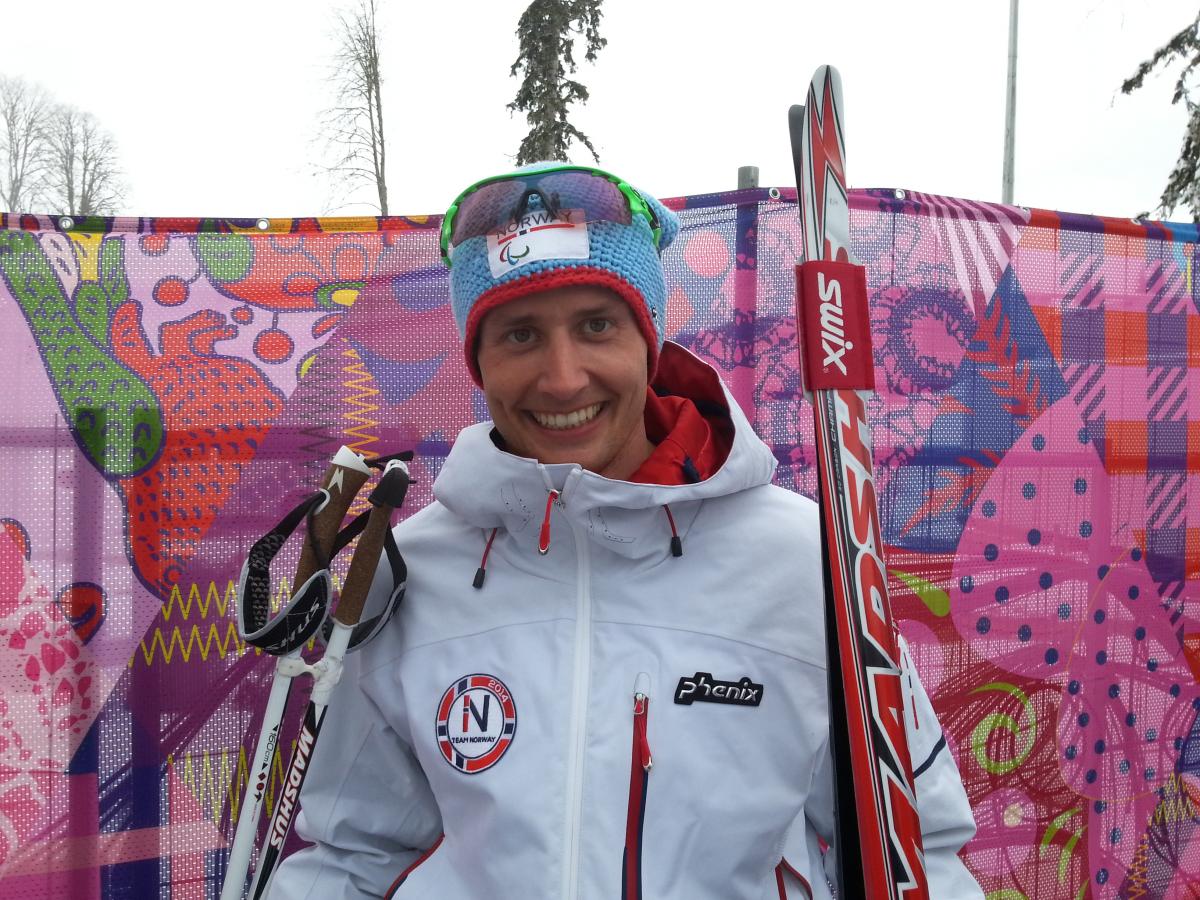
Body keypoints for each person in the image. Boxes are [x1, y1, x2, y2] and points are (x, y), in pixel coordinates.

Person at [266, 162, 982, 899]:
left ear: (650, 341)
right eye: (519, 335)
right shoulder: (414, 571)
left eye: (597, 326)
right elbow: (356, 855)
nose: (564, 378)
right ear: (478, 366)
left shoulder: (802, 561)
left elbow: (914, 849)